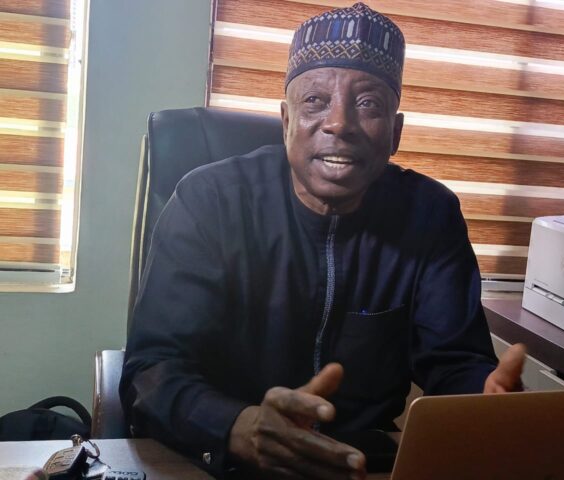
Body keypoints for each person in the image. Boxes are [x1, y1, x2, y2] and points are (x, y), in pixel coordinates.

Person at [120, 3, 525, 479]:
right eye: (315, 100)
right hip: (222, 458)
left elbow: (454, 362)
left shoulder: (430, 215)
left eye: (368, 104)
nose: (340, 124)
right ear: (286, 120)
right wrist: (236, 425)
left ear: (395, 133)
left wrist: (486, 400)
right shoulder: (210, 200)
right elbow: (151, 371)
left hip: (361, 463)